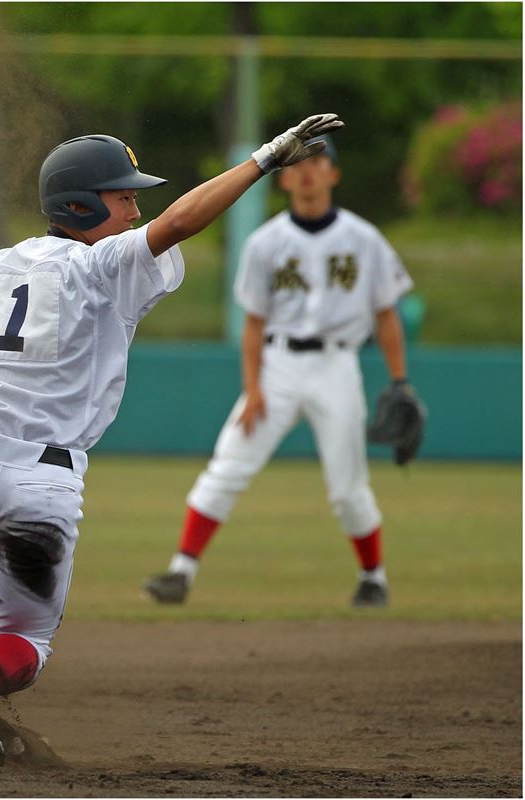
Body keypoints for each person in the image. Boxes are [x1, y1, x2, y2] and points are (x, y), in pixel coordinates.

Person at [0, 113, 344, 768]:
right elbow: (181, 224)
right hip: (44, 486)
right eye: (122, 194)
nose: (135, 208)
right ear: (79, 203)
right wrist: (264, 160)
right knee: (26, 636)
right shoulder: (111, 268)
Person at [142, 135, 414, 610]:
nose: (309, 171)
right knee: (229, 464)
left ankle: (373, 576)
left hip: (337, 364)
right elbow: (254, 322)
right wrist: (253, 388)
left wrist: (399, 380)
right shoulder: (266, 242)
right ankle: (181, 571)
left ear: (334, 173)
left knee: (348, 486)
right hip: (277, 365)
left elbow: (387, 313)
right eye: (300, 164)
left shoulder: (364, 239)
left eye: (320, 161)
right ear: (285, 177)